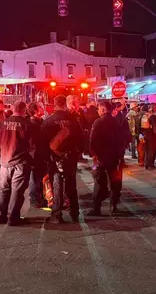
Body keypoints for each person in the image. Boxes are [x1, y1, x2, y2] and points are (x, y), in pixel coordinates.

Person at [41, 95, 83, 223]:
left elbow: (42, 141)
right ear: (64, 103)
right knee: (71, 184)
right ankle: (74, 212)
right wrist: (78, 153)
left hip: (55, 157)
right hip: (70, 156)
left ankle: (57, 214)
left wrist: (46, 157)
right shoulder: (73, 120)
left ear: (54, 103)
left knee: (57, 184)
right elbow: (81, 138)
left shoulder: (48, 121)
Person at [0, 101, 34, 225]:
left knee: (4, 190)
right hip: (20, 162)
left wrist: (5, 147)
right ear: (24, 110)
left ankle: (1, 217)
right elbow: (32, 145)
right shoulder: (26, 125)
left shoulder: (2, 124)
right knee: (17, 190)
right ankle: (13, 218)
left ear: (12, 109)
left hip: (5, 161)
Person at [87, 101, 126, 216]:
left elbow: (92, 141)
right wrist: (120, 156)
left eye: (99, 109)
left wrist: (94, 155)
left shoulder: (98, 122)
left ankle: (96, 207)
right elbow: (121, 141)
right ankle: (113, 205)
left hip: (101, 158)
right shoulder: (116, 122)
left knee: (98, 181)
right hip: (114, 158)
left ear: (103, 109)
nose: (98, 111)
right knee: (115, 182)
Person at [27, 102, 47, 209]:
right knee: (34, 177)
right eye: (40, 107)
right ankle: (34, 199)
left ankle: (39, 197)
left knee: (39, 177)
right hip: (35, 154)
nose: (43, 108)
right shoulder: (33, 124)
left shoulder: (40, 122)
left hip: (41, 153)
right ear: (35, 110)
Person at [140, 103, 156, 170]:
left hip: (145, 134)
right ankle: (151, 165)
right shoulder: (153, 116)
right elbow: (155, 127)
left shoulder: (145, 116)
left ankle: (146, 164)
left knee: (147, 150)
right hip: (152, 135)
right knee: (152, 150)